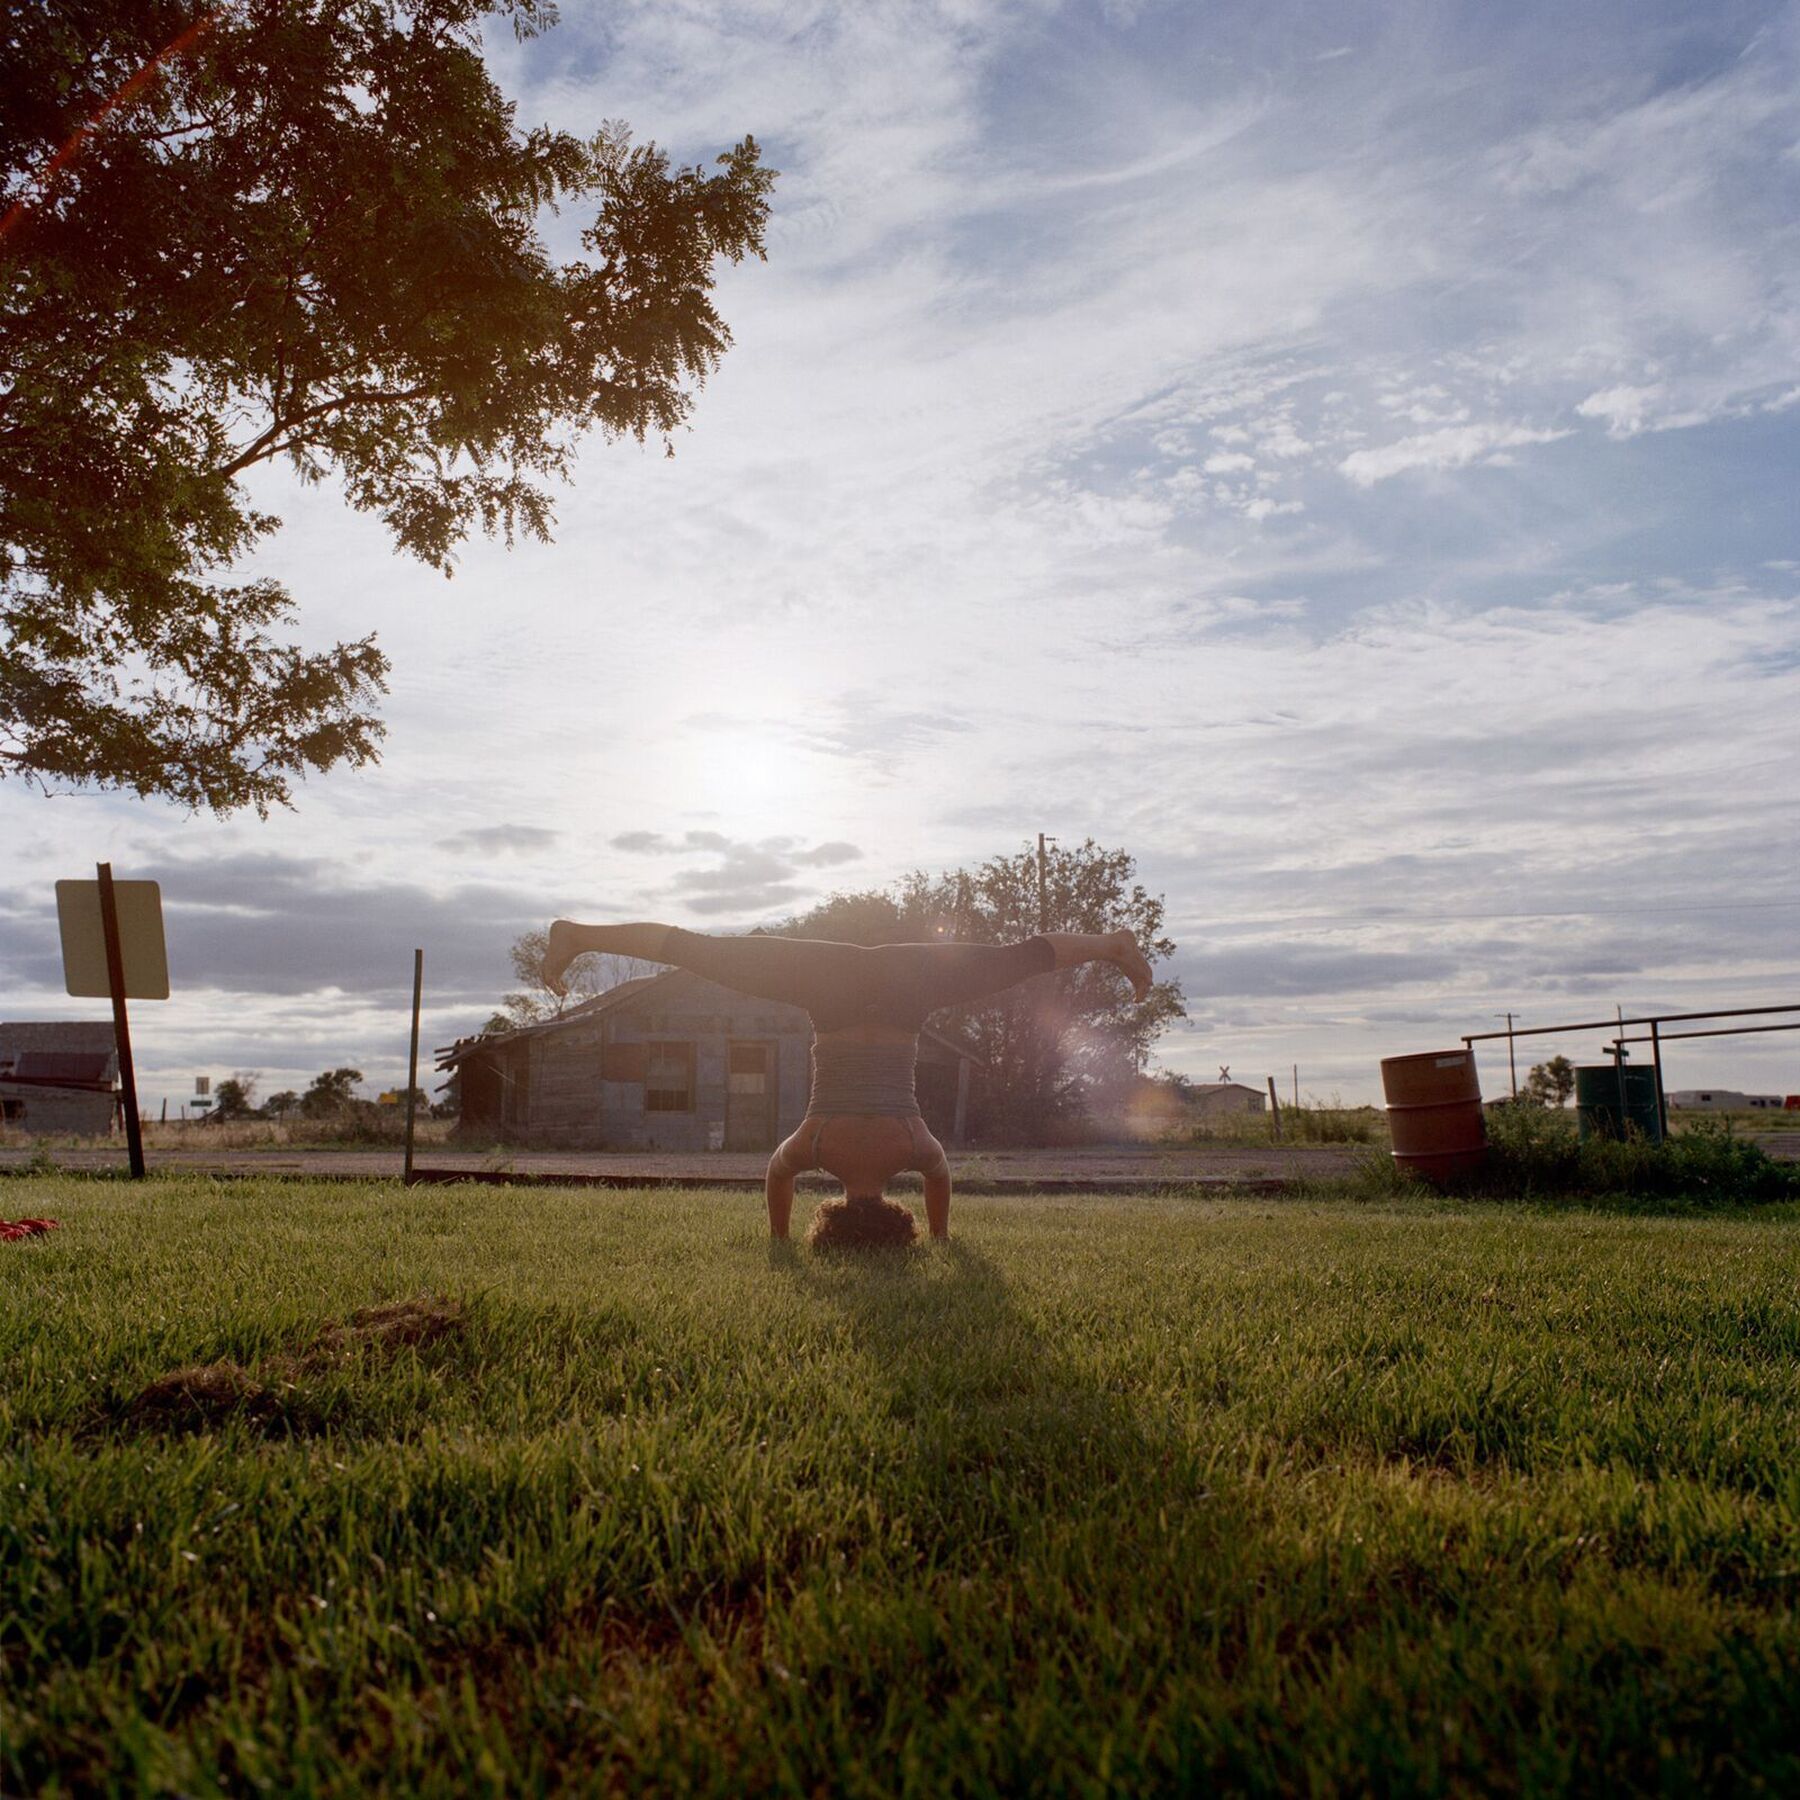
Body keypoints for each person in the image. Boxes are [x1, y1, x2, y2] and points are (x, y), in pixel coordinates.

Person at [540, 919, 1154, 1243]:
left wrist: (940, 1237)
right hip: (826, 987)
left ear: (893, 1214)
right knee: (699, 950)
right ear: (830, 1217)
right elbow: (775, 1176)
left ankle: (1109, 945)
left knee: (1015, 959)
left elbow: (940, 1181)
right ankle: (581, 936)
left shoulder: (914, 1149)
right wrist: (780, 1240)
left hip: (910, 986)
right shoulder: (815, 1147)